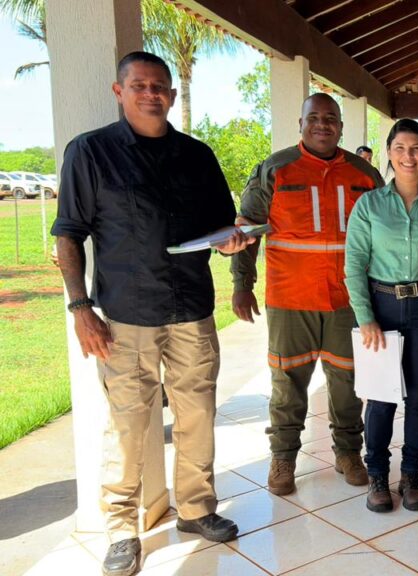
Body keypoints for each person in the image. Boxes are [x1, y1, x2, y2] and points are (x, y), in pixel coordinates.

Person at [51, 51, 244, 576]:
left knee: (198, 413)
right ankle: (120, 527)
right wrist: (79, 306)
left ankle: (197, 509)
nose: (151, 93)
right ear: (120, 92)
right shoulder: (91, 153)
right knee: (126, 424)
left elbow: (221, 228)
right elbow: (68, 234)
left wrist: (231, 244)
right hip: (125, 316)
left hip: (191, 309)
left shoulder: (197, 156)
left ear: (172, 95)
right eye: (139, 85)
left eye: (159, 86)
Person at [231, 93, 384, 496]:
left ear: (341, 126)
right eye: (313, 118)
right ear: (300, 124)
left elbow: (383, 236)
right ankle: (283, 458)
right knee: (287, 384)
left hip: (348, 303)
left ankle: (349, 452)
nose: (322, 124)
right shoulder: (274, 169)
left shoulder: (364, 174)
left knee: (349, 383)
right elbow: (246, 230)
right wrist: (241, 286)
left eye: (330, 118)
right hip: (290, 300)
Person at [345, 119, 418, 512]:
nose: (408, 156)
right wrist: (365, 317)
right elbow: (354, 263)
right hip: (383, 308)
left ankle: (411, 474)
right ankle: (377, 475)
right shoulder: (370, 205)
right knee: (380, 398)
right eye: (400, 148)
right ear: (390, 154)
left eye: (416, 148)